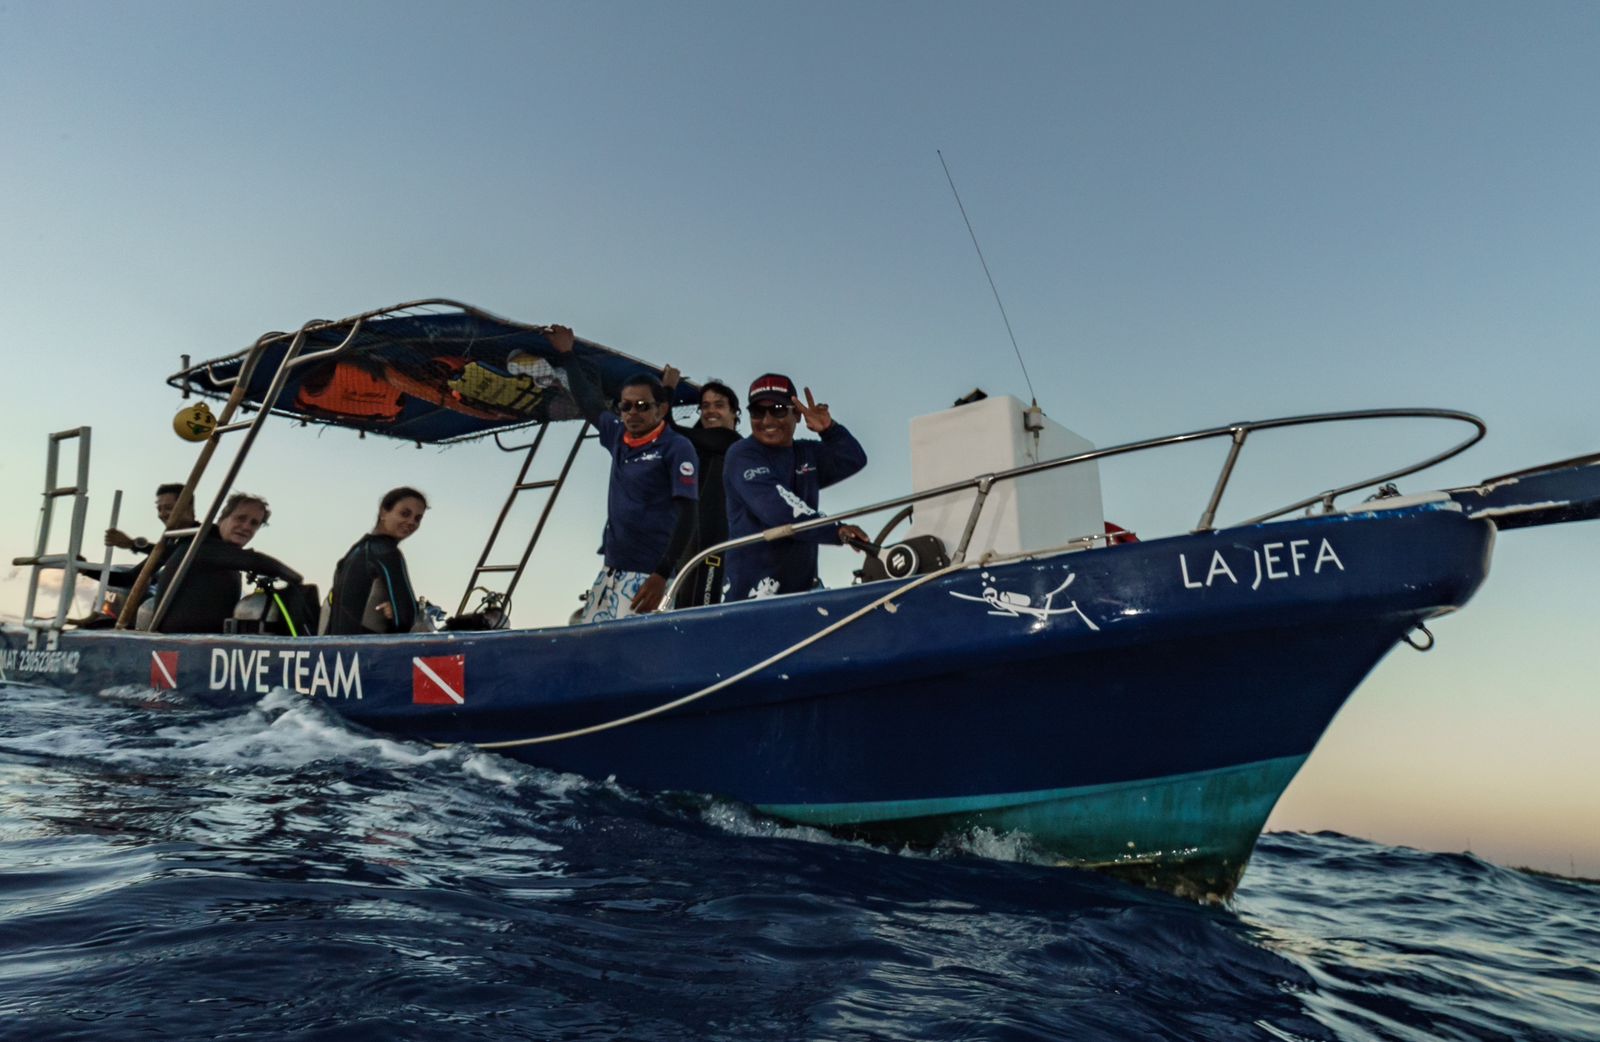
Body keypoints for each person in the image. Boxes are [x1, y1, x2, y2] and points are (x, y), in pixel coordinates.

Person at [547, 325, 700, 621]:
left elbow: (688, 514)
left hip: (650, 577)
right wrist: (567, 354)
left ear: (661, 409)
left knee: (639, 658)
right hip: (610, 571)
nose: (632, 413)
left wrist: (661, 575)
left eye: (642, 406)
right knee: (589, 645)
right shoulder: (618, 436)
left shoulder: (677, 447)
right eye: (626, 406)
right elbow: (589, 402)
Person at [722, 374, 869, 601]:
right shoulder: (742, 454)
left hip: (802, 592)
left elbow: (853, 459)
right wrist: (835, 530)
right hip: (751, 596)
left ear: (797, 415)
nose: (767, 420)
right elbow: (777, 509)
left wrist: (829, 429)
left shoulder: (807, 453)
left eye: (779, 409)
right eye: (758, 412)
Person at [660, 369, 742, 607]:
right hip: (689, 540)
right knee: (681, 607)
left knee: (699, 608)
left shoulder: (730, 442)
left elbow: (667, 428)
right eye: (705, 406)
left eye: (719, 405)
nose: (710, 411)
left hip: (711, 543)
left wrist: (668, 388)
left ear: (734, 413)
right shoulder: (702, 444)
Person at [149, 515, 303, 635]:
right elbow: (257, 561)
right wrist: (296, 578)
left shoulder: (224, 554)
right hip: (184, 648)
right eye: (240, 518)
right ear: (222, 518)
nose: (246, 527)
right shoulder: (204, 545)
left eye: (254, 523)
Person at [327, 487, 427, 635]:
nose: (411, 521)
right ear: (383, 512)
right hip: (369, 652)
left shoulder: (356, 551)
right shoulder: (385, 552)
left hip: (336, 650)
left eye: (417, 518)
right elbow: (405, 618)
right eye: (404, 514)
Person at [105, 482, 187, 554]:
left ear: (188, 507)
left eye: (169, 508)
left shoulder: (197, 538)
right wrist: (131, 544)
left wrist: (132, 543)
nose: (162, 514)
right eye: (159, 509)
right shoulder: (171, 538)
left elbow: (172, 556)